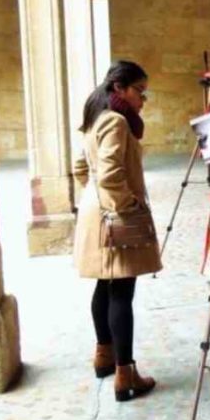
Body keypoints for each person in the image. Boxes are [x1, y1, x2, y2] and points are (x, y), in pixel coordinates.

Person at [72, 61, 162, 402]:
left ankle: (104, 356)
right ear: (120, 87)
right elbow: (110, 175)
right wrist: (128, 206)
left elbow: (82, 166)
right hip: (114, 215)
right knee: (121, 292)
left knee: (104, 286)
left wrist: (92, 196)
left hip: (97, 211)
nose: (143, 100)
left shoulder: (96, 117)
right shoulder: (116, 120)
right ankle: (126, 375)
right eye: (140, 91)